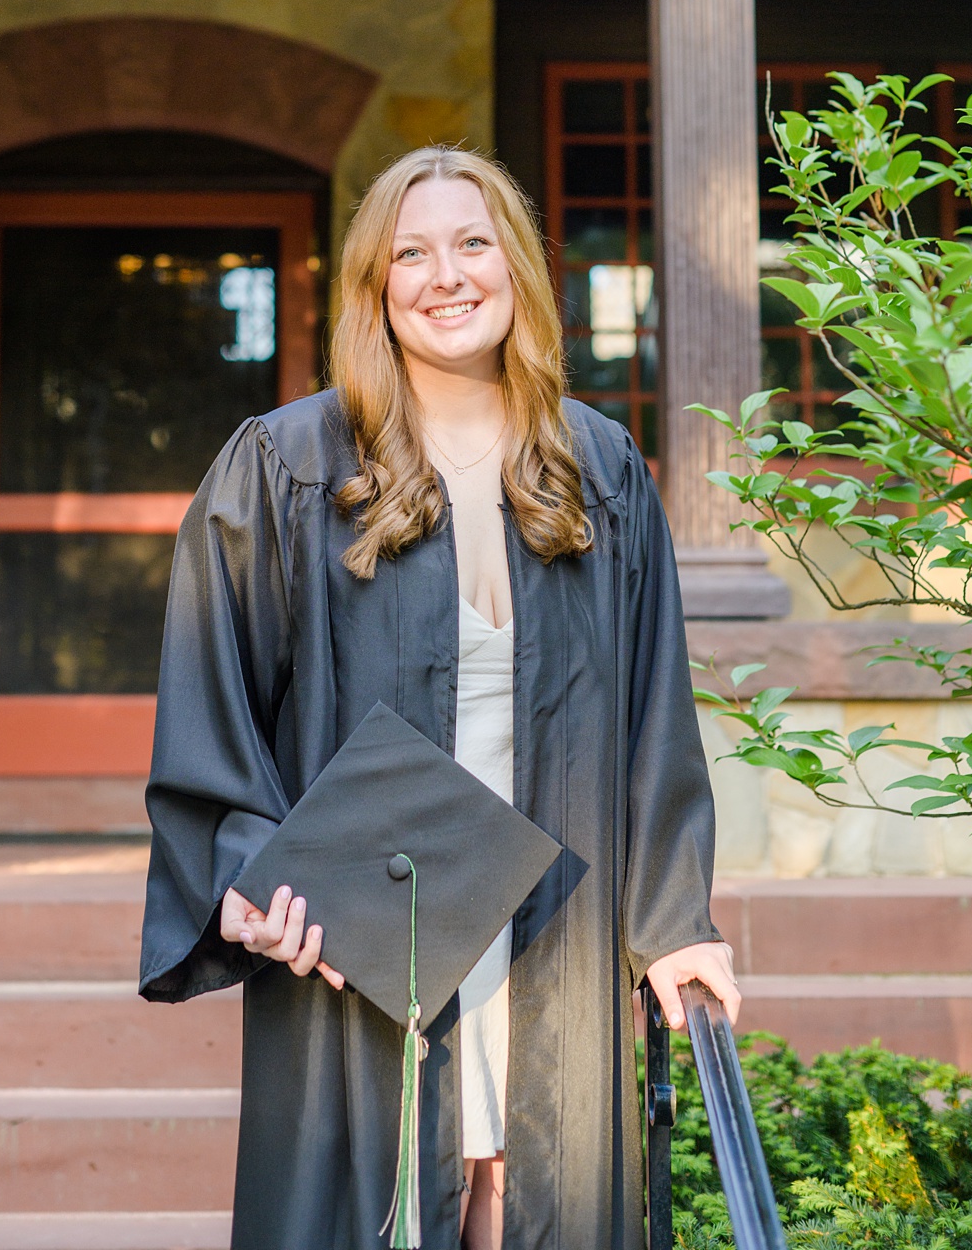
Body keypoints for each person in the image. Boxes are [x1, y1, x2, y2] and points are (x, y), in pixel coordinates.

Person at [138, 146, 739, 1250]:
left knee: (529, 1190)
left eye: (473, 244)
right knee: (386, 1199)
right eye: (410, 252)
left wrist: (675, 923)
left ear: (517, 270)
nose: (445, 274)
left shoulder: (595, 467)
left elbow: (658, 718)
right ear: (375, 285)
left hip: (555, 923)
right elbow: (214, 686)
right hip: (368, 927)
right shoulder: (288, 465)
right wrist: (241, 865)